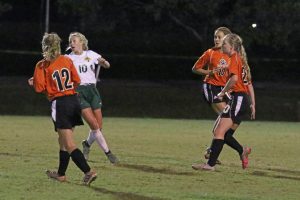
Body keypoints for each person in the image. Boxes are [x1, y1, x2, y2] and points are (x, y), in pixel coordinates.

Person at [29, 32, 97, 185]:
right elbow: (76, 80)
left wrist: (33, 82)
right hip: (74, 101)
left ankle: (88, 172)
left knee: (69, 143)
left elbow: (39, 88)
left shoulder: (42, 65)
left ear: (44, 47)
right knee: (62, 141)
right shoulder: (66, 59)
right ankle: (60, 174)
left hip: (60, 104)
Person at [192, 27, 256, 164]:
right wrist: (209, 73)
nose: (216, 40)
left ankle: (217, 151)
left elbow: (244, 80)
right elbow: (195, 68)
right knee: (223, 124)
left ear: (228, 40)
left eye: (219, 37)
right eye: (215, 37)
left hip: (227, 91)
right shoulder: (210, 53)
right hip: (212, 89)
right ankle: (214, 153)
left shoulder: (233, 56)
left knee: (229, 127)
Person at [66, 32, 118, 164]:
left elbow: (107, 65)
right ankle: (109, 153)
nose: (72, 43)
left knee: (99, 126)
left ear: (82, 43)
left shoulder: (91, 54)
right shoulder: (68, 57)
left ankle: (87, 144)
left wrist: (103, 62)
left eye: (74, 41)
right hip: (78, 91)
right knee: (94, 125)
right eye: (71, 41)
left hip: (92, 90)